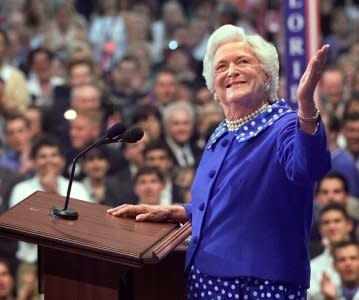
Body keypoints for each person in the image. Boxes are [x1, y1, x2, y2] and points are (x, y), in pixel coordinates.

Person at [107, 24, 331, 299]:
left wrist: (306, 104)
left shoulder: (284, 126)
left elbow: (310, 168)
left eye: (243, 61)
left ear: (268, 75)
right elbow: (240, 205)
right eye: (221, 66)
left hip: (259, 286)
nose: (232, 71)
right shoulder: (223, 129)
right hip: (205, 278)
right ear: (213, 84)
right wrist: (183, 212)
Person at [309, 203, 354, 299]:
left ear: (349, 225)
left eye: (337, 221)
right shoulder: (313, 267)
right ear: (320, 230)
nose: (332, 227)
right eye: (326, 223)